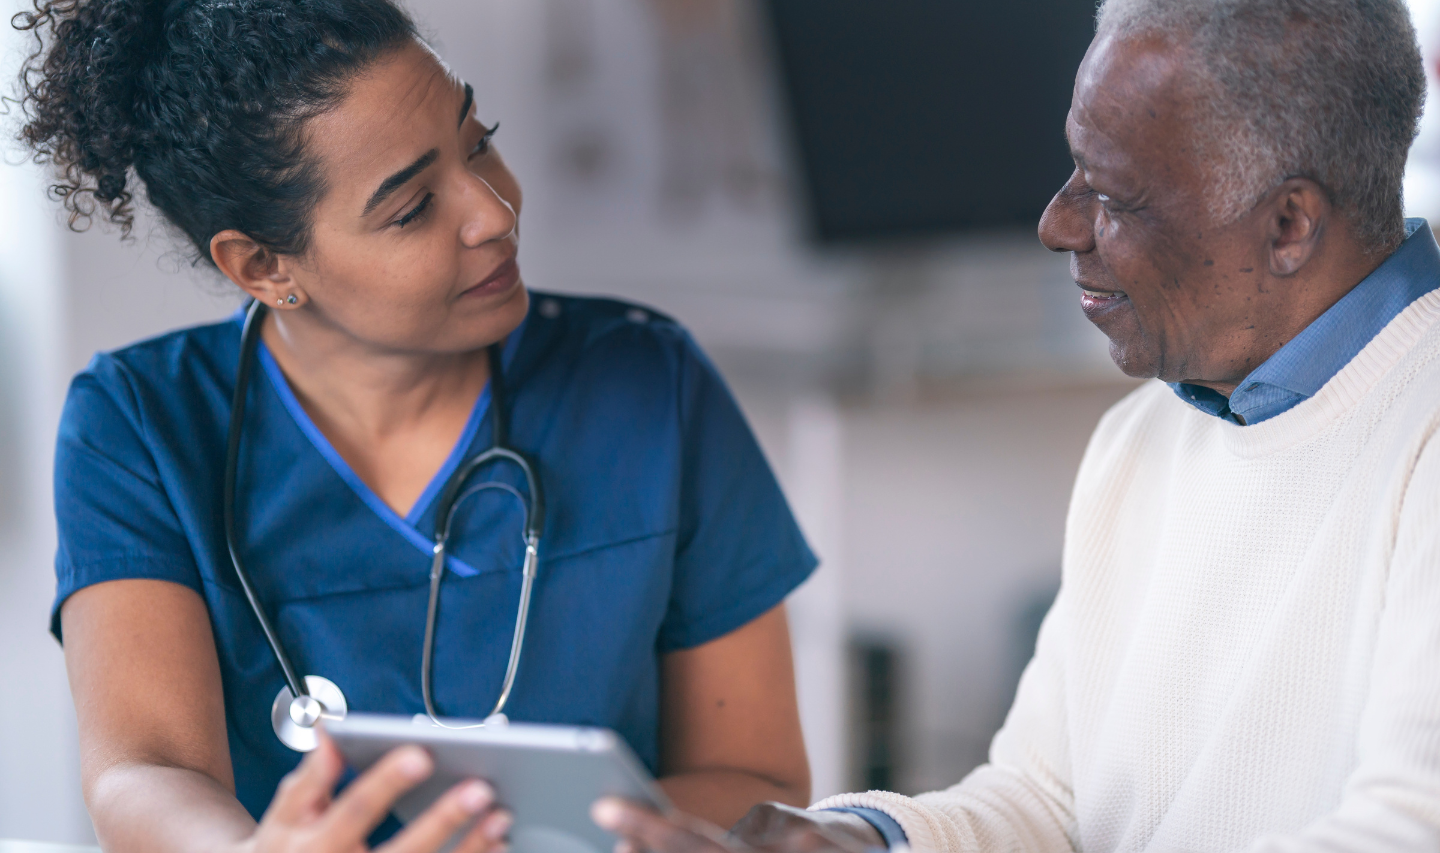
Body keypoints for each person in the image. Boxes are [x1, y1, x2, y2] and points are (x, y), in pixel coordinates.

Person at [596, 0, 1440, 851]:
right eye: (1074, 171)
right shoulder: (1141, 437)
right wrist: (859, 841)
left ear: (1289, 224)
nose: (1057, 225)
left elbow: (1405, 831)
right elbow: (1046, 799)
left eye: (1112, 196)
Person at [12, 0, 817, 850]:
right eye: (412, 208)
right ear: (263, 265)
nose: (493, 212)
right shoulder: (140, 423)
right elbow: (146, 770)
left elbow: (756, 772)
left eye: (479, 143)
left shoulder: (651, 383)